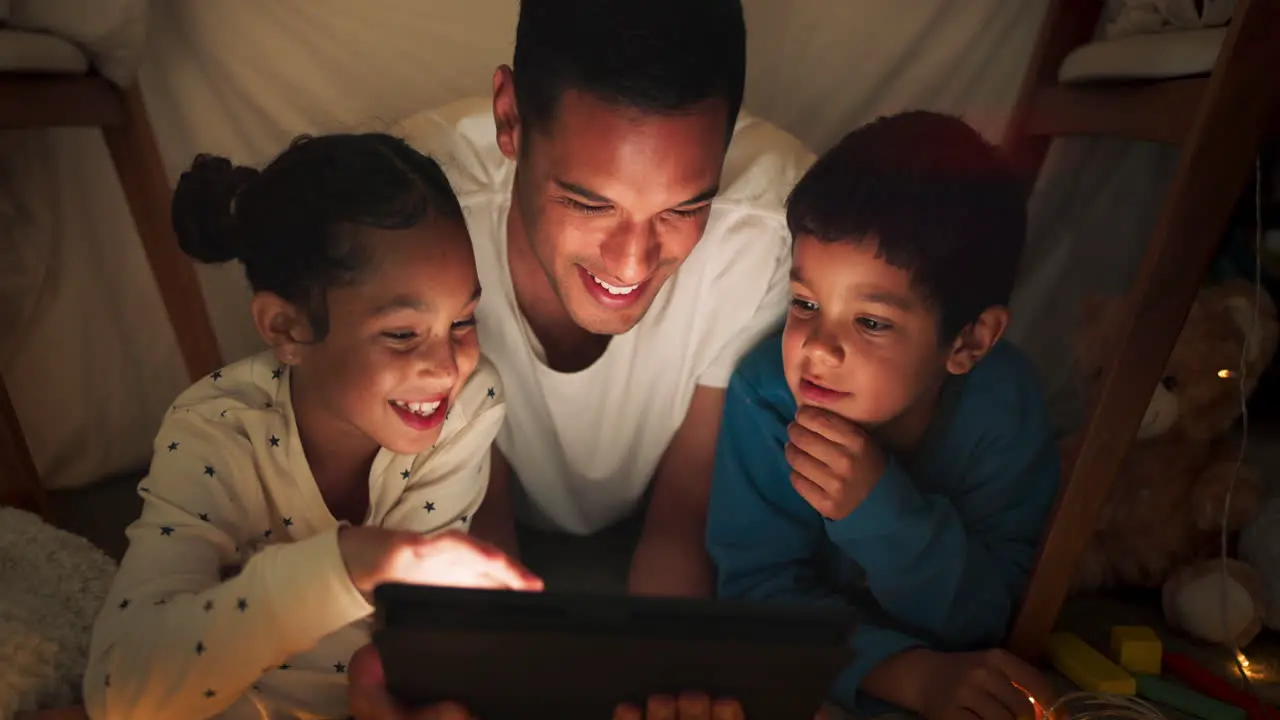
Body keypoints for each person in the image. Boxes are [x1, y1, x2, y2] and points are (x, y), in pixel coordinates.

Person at [82, 134, 542, 720]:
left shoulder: (467, 405)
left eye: (463, 320)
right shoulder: (217, 433)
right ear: (286, 329)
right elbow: (119, 690)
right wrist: (349, 563)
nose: (448, 367)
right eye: (402, 334)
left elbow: (418, 644)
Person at [389, 0, 813, 597]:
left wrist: (656, 681)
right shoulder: (411, 216)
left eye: (684, 208)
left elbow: (683, 517)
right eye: (590, 204)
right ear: (509, 118)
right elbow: (468, 515)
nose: (631, 263)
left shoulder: (773, 231)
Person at [704, 111, 1061, 720]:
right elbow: (756, 600)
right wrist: (911, 677)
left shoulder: (1005, 410)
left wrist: (878, 510)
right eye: (805, 302)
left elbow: (989, 615)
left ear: (970, 341)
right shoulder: (767, 399)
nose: (816, 347)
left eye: (871, 322)